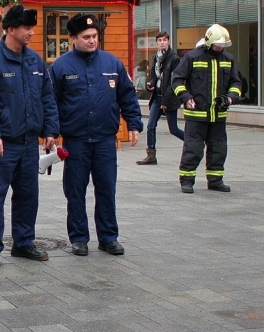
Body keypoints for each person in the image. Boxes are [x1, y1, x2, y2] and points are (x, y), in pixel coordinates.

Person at [0, 5, 59, 269]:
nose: (31, 32)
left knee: (27, 196)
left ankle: (23, 244)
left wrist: (50, 131)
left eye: (32, 28)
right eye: (26, 28)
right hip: (3, 145)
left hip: (29, 145)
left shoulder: (34, 61)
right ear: (11, 30)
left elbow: (47, 98)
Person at [49, 13, 143, 257]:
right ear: (73, 38)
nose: (92, 41)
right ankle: (79, 238)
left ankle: (109, 237)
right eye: (86, 37)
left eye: (95, 36)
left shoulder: (112, 64)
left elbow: (127, 96)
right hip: (76, 140)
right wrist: (50, 132)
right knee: (75, 191)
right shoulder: (61, 67)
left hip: (104, 140)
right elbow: (51, 103)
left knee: (106, 190)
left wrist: (133, 123)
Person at [171, 23, 242, 194]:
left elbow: (236, 83)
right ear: (209, 41)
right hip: (197, 114)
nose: (221, 47)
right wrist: (186, 97)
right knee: (193, 149)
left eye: (224, 45)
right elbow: (177, 79)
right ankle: (187, 181)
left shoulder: (228, 59)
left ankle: (215, 180)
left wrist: (231, 97)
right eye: (218, 44)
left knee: (219, 149)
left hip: (218, 114)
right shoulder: (192, 57)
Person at [136, 31, 184, 165]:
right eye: (160, 40)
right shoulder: (156, 57)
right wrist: (150, 83)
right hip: (157, 95)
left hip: (169, 97)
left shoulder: (174, 58)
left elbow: (173, 82)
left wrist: (166, 101)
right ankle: (151, 155)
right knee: (151, 125)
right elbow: (154, 75)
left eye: (164, 40)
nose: (162, 42)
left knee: (173, 129)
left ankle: (193, 144)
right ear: (156, 42)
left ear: (168, 41)